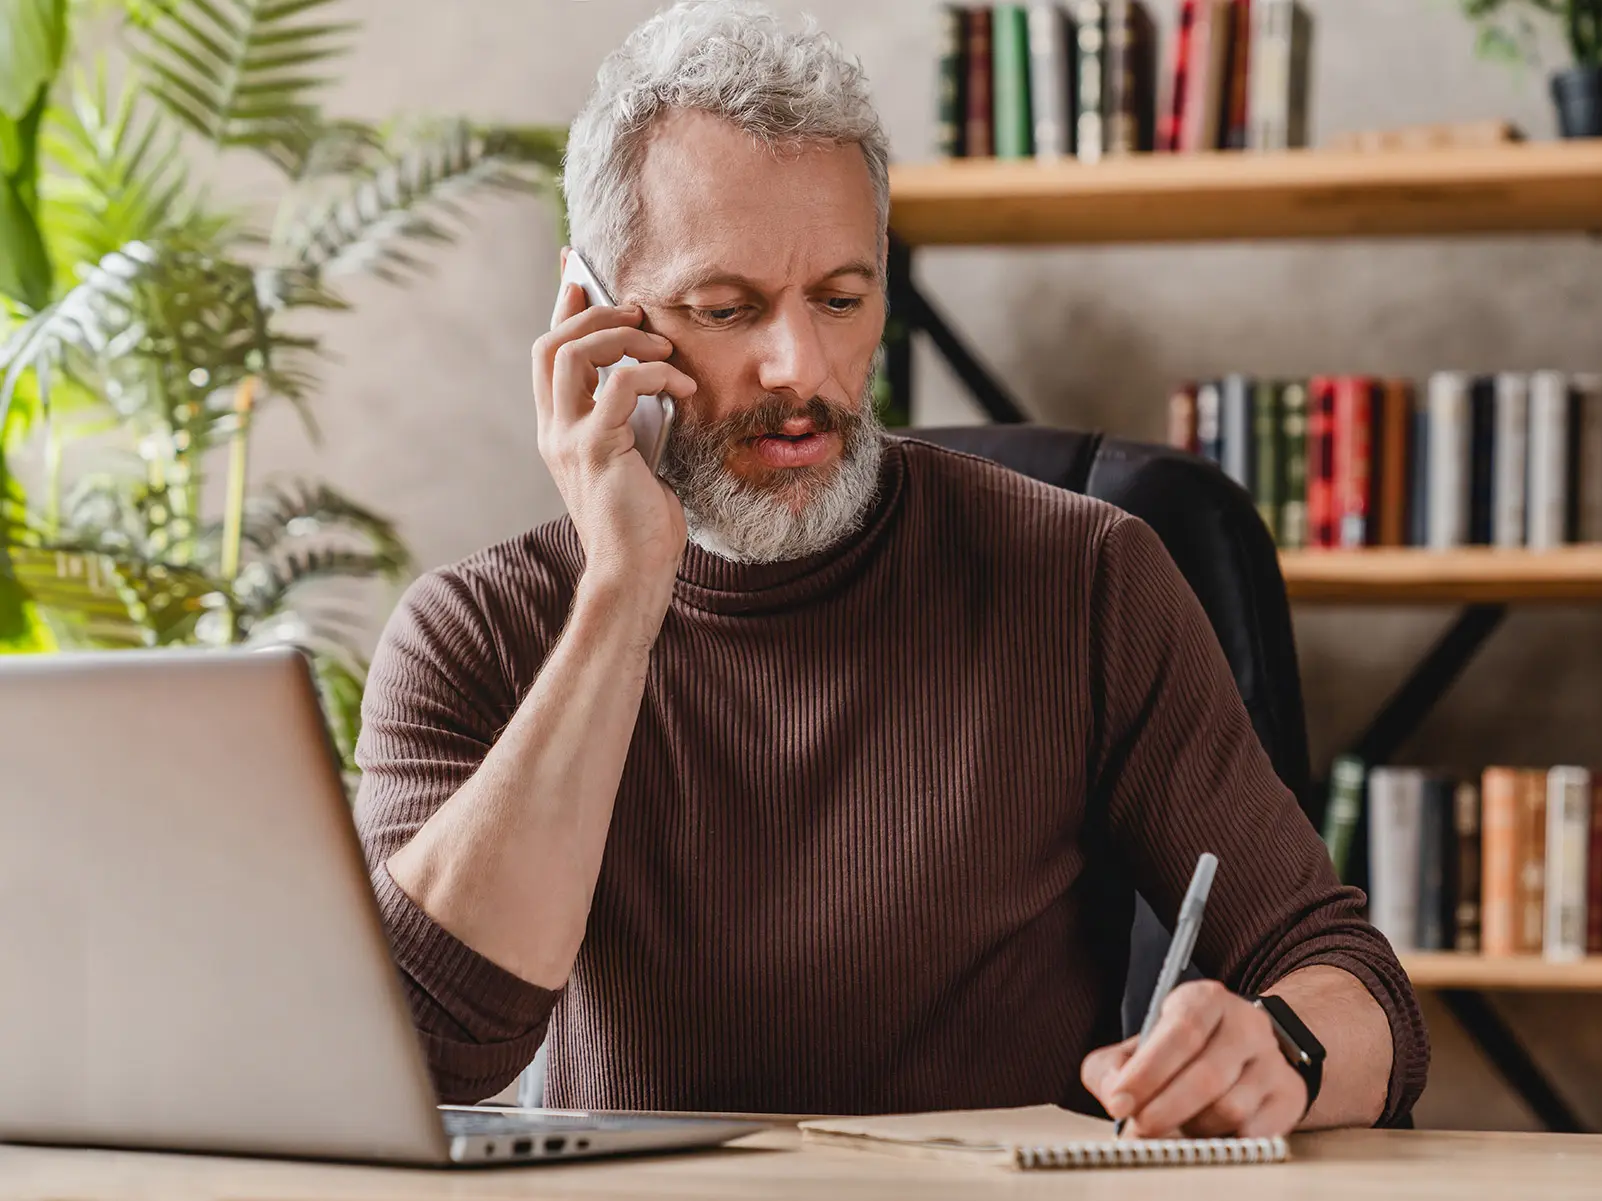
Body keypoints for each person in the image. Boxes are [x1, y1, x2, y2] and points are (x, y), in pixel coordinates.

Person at [354, 0, 1427, 1138]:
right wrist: (621, 593)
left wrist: (1283, 1052)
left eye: (840, 298)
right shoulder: (471, 632)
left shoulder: (1083, 579)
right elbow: (422, 1052)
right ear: (590, 317)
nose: (801, 368)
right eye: (726, 308)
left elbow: (1352, 985)